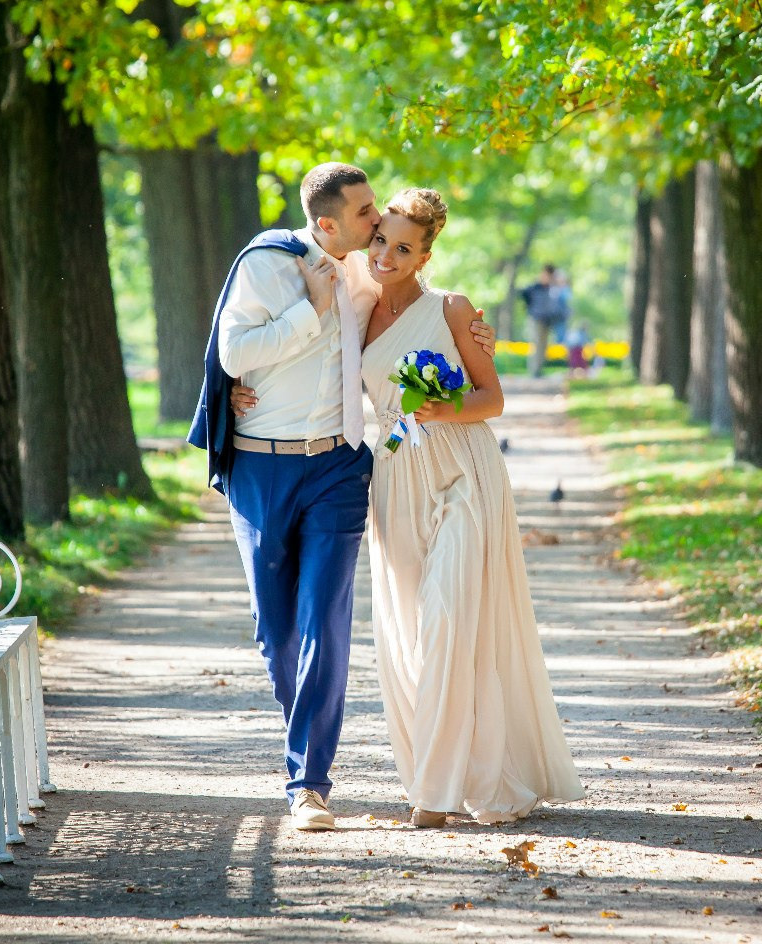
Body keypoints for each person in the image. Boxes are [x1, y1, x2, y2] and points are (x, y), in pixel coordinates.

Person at [202, 163, 495, 833]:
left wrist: (481, 337)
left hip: (339, 470)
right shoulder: (267, 264)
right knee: (277, 635)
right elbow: (231, 354)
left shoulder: (368, 275)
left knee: (325, 621)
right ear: (329, 222)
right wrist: (309, 312)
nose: (376, 231)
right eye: (367, 216)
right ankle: (302, 737)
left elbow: (420, 311)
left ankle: (308, 784)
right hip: (260, 468)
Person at [361, 188, 583, 827]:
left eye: (404, 247)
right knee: (410, 633)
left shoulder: (453, 309)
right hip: (396, 477)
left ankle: (436, 793)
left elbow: (493, 398)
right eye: (381, 240)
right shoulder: (353, 309)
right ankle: (434, 763)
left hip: (464, 472)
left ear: (426, 253)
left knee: (453, 616)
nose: (387, 255)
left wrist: (444, 406)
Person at [519, 264, 568, 377]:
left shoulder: (552, 288)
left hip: (547, 320)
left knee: (544, 345)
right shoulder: (535, 287)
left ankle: (539, 370)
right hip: (536, 318)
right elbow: (524, 294)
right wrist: (530, 308)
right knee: (536, 344)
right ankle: (534, 371)